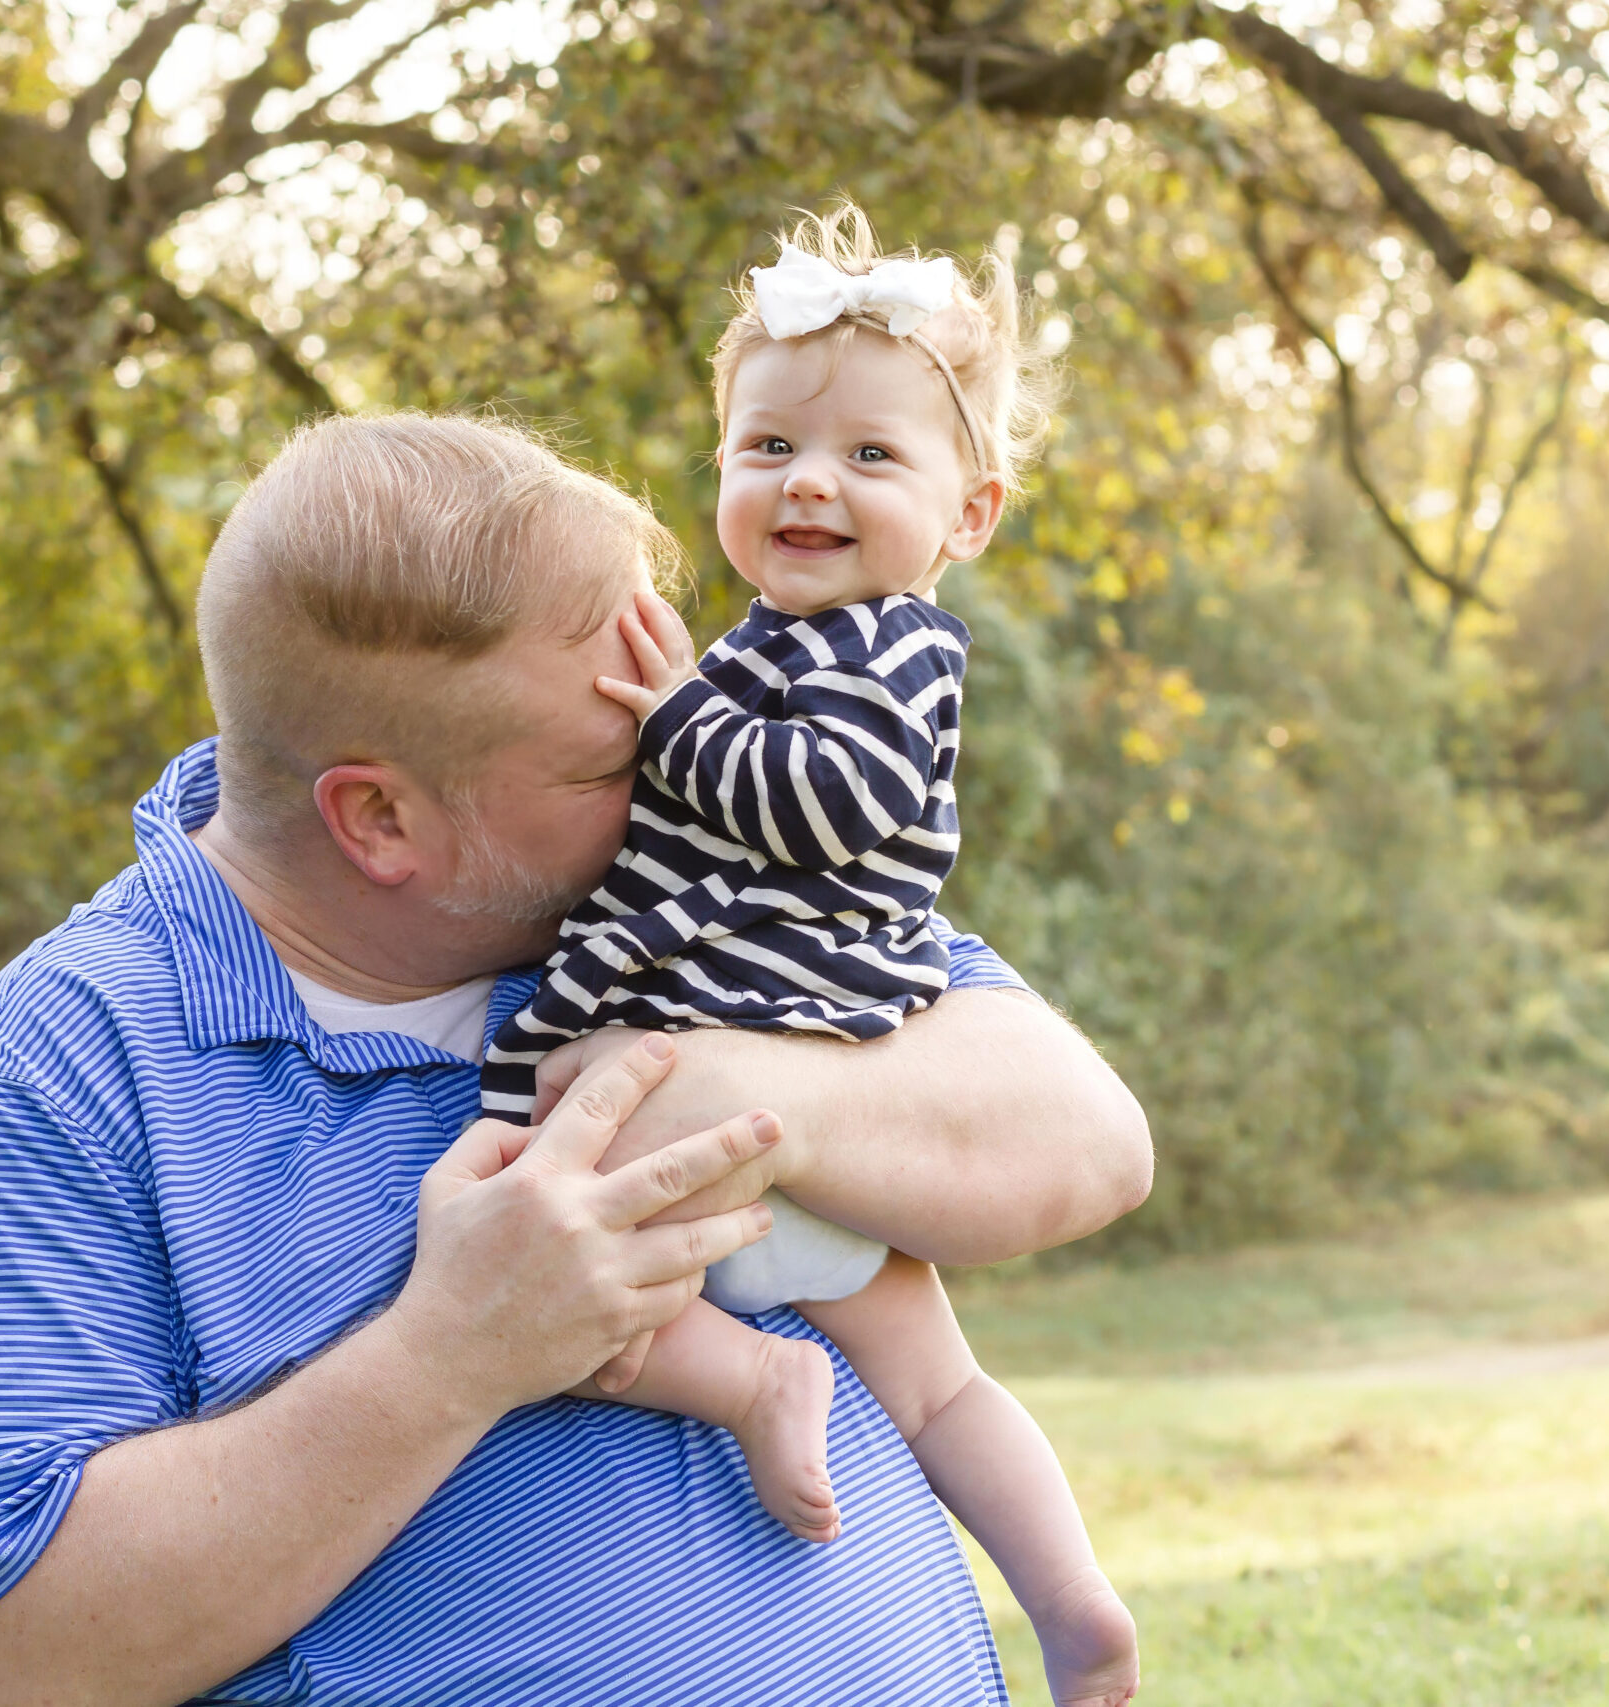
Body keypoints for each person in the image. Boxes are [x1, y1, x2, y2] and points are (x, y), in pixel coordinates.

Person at [0, 410, 1153, 1707]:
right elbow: (14, 1659)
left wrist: (765, 1103)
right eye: (620, 757)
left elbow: (1091, 1141)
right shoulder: (73, 1066)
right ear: (380, 817)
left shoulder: (699, 880)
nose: (680, 775)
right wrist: (452, 1354)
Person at [478, 206, 1137, 1707]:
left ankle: (783, 1398)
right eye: (767, 448)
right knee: (936, 1381)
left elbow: (831, 802)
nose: (809, 483)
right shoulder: (762, 650)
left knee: (536, 1290)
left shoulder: (896, 650)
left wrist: (671, 729)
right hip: (779, 1119)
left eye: (870, 457)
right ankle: (1069, 1602)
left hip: (748, 1086)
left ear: (969, 516)